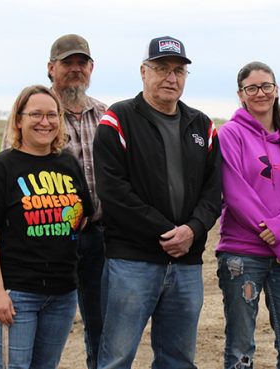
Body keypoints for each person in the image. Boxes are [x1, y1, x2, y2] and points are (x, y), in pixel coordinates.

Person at [93, 35, 221, 369]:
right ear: (143, 72)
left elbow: (213, 191)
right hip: (131, 262)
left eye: (178, 70)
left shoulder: (202, 125)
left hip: (187, 263)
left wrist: (191, 231)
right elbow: (113, 192)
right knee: (117, 357)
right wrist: (168, 233)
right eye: (161, 68)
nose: (170, 77)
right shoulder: (117, 119)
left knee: (178, 359)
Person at [0, 34, 107, 369]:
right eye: (67, 63)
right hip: (47, 239)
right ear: (51, 68)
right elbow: (9, 177)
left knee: (102, 321)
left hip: (99, 235)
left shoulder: (107, 116)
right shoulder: (36, 114)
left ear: (91, 68)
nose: (75, 70)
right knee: (44, 320)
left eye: (81, 63)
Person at [0, 85, 93, 368]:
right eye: (35, 114)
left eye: (52, 115)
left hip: (62, 293)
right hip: (15, 293)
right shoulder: (0, 169)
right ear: (18, 120)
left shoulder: (67, 164)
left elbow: (82, 214)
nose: (45, 121)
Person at [216, 61, 280, 369]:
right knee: (240, 349)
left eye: (266, 86)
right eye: (251, 88)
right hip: (242, 255)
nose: (260, 93)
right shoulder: (229, 135)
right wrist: (278, 243)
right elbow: (236, 193)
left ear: (276, 90)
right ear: (241, 94)